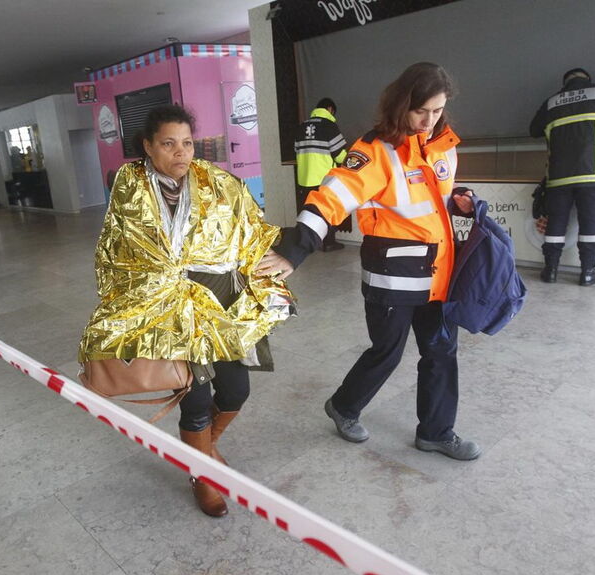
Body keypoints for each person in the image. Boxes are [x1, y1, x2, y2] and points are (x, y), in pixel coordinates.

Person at [79, 105, 295, 517]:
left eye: (187, 143)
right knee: (195, 399)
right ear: (148, 146)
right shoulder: (130, 186)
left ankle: (205, 450)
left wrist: (269, 268)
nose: (181, 152)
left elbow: (248, 229)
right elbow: (116, 251)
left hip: (220, 303)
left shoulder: (218, 182)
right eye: (169, 144)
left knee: (236, 391)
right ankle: (202, 476)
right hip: (169, 308)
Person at [260, 62, 481, 461]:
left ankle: (436, 432)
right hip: (393, 276)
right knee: (387, 352)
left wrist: (459, 202)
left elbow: (434, 202)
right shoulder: (375, 151)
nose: (429, 121)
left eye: (437, 111)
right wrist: (296, 248)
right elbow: (330, 198)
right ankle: (343, 406)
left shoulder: (443, 145)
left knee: (441, 353)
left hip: (438, 274)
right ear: (401, 104)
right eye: (421, 111)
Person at [529, 68, 595, 286]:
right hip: (592, 175)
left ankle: (550, 271)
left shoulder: (551, 102)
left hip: (558, 178)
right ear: (587, 80)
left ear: (564, 84)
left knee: (555, 224)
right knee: (590, 225)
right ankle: (587, 273)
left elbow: (534, 130)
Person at [294, 97, 349, 251]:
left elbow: (296, 150)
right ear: (330, 109)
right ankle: (328, 242)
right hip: (324, 178)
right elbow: (340, 155)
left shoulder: (301, 126)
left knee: (309, 212)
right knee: (327, 210)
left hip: (304, 178)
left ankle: (309, 243)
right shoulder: (329, 126)